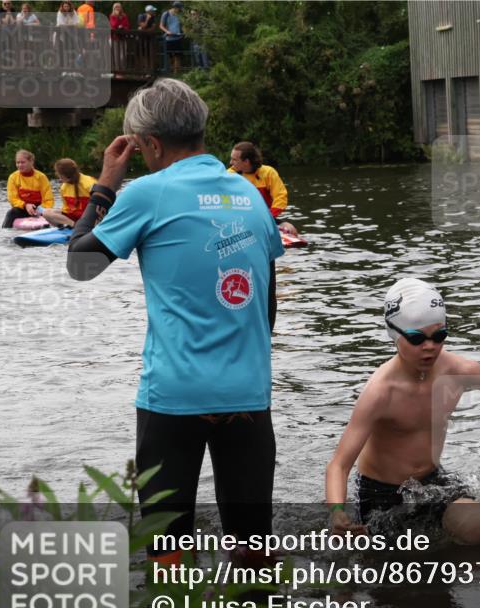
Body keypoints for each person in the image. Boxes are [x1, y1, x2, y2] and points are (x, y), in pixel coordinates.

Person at [65, 79, 285, 566]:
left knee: (167, 551)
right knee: (254, 549)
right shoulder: (251, 196)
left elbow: (79, 264)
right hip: (247, 393)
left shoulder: (146, 193)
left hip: (174, 397)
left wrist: (104, 184)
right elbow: (267, 305)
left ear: (152, 143)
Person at [325, 278, 480, 544]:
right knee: (388, 571)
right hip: (381, 494)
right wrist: (337, 511)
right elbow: (339, 465)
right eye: (417, 338)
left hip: (430, 482)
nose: (430, 346)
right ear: (394, 333)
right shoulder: (380, 392)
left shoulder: (453, 371)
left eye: (439, 336)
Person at [228, 141, 298, 235]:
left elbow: (280, 197)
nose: (230, 162)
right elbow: (222, 200)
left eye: (234, 160)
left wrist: (269, 217)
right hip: (239, 221)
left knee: (291, 230)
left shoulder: (268, 172)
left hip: (266, 218)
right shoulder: (228, 175)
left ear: (246, 162)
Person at [2, 149, 53, 228]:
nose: (20, 165)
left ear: (31, 162)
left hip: (39, 208)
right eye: (18, 162)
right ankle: (5, 235)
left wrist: (39, 210)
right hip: (22, 208)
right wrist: (25, 205)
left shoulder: (41, 177)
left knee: (50, 213)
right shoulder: (13, 177)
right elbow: (12, 199)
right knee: (11, 212)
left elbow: (49, 199)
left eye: (23, 162)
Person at [38, 158, 95, 228]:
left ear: (66, 175)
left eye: (59, 175)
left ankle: (76, 227)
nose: (58, 177)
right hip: (74, 217)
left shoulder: (89, 183)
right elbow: (66, 210)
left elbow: (101, 204)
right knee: (46, 213)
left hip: (89, 219)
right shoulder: (63, 187)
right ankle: (68, 227)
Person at [159, 0, 182, 72]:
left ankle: (176, 72)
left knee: (177, 56)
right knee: (169, 56)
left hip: (178, 37)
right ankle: (169, 71)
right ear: (175, 7)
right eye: (179, 8)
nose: (180, 10)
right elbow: (161, 25)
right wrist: (167, 31)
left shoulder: (180, 15)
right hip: (169, 38)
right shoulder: (166, 14)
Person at [108, 2, 129, 67]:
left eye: (119, 7)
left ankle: (122, 70)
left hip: (123, 38)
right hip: (115, 38)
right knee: (116, 55)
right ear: (113, 9)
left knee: (123, 56)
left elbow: (127, 26)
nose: (118, 8)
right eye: (116, 7)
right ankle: (116, 71)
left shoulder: (124, 16)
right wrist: (117, 17)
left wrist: (122, 27)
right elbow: (113, 25)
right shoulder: (112, 16)